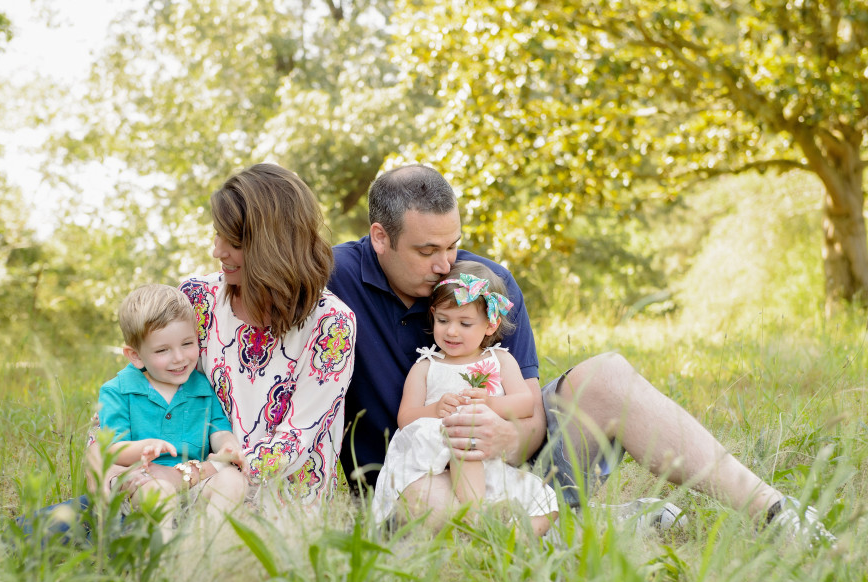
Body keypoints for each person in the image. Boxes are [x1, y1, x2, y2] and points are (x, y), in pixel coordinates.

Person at [329, 164, 833, 543]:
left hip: (511, 468)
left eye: (453, 245)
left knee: (608, 374)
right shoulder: (331, 279)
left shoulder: (484, 284)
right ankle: (599, 527)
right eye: (426, 252)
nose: (445, 265)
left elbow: (527, 411)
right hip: (414, 477)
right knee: (429, 506)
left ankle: (775, 513)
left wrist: (508, 436)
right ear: (380, 237)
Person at [178, 163, 357, 506]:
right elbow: (146, 384)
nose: (217, 250)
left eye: (234, 241)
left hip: (278, 511)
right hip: (187, 487)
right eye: (217, 234)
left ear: (275, 246)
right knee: (57, 529)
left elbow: (294, 442)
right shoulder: (197, 299)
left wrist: (203, 476)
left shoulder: (331, 323)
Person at [372, 261, 558, 536]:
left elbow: (525, 403)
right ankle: (477, 520)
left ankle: (513, 543)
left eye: (465, 323)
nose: (451, 331)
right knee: (464, 433)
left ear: (490, 324)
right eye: (443, 320)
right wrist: (435, 409)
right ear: (433, 314)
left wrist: (491, 404)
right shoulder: (426, 366)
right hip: (439, 454)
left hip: (489, 460)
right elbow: (405, 417)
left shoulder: (500, 360)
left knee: (545, 501)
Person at [90, 284, 248, 541]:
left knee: (232, 481)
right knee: (159, 491)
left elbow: (218, 428)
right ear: (136, 356)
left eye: (187, 344)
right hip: (142, 483)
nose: (179, 358)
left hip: (194, 481)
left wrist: (227, 446)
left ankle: (209, 548)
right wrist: (144, 446)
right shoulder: (118, 391)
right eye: (162, 350)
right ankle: (163, 558)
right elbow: (111, 449)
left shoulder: (201, 387)